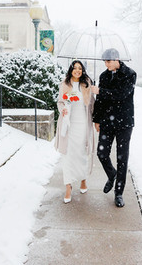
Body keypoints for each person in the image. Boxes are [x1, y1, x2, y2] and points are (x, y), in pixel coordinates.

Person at [91, 48, 136, 208]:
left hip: (124, 123)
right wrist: (96, 119)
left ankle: (118, 193)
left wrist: (101, 91)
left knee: (122, 158)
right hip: (106, 122)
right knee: (101, 153)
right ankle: (112, 174)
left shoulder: (130, 74)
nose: (106, 64)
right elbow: (100, 101)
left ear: (116, 59)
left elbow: (121, 95)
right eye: (104, 61)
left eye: (108, 61)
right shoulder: (103, 76)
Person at [55, 60, 95, 203]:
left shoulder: (86, 84)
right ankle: (68, 186)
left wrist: (96, 121)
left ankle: (83, 179)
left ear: (82, 70)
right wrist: (64, 109)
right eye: (75, 68)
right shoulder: (65, 84)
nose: (77, 70)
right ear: (71, 70)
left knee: (82, 154)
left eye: (80, 68)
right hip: (69, 125)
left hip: (83, 123)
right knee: (68, 156)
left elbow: (92, 104)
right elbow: (60, 102)